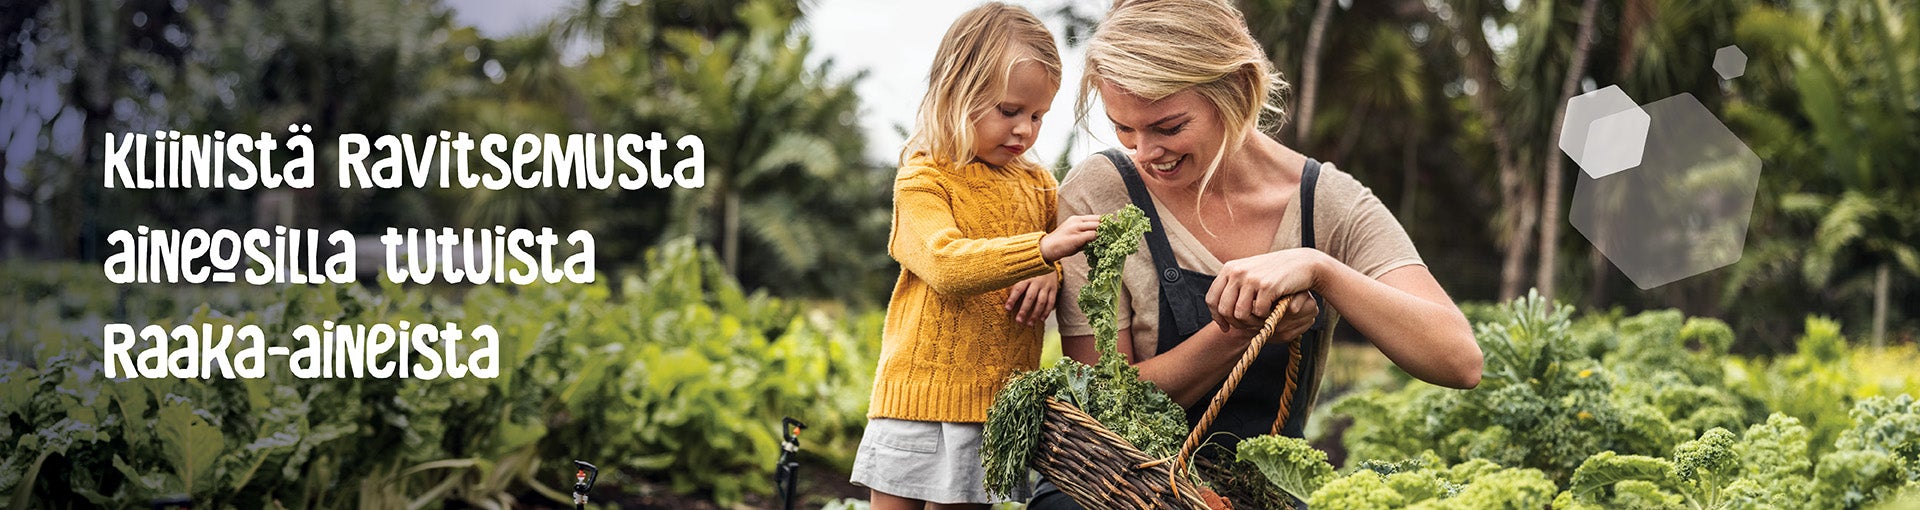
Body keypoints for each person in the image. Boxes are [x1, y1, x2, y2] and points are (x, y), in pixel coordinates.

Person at [1033, 0, 1483, 507]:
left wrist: (1322, 270)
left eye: (1169, 127)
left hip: (1257, 492)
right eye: (1123, 128)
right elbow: (1100, 407)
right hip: (1113, 486)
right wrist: (1238, 331)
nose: (1144, 152)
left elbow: (1458, 360)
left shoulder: (1327, 203)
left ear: (1238, 91)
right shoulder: (1100, 192)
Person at [849, 3, 1104, 509]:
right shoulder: (924, 178)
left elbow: (1058, 262)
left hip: (995, 410)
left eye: (1037, 116)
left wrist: (1050, 270)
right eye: (1009, 111)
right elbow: (946, 263)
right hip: (916, 403)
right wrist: (1043, 249)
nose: (1025, 131)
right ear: (956, 92)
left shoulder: (1039, 186)